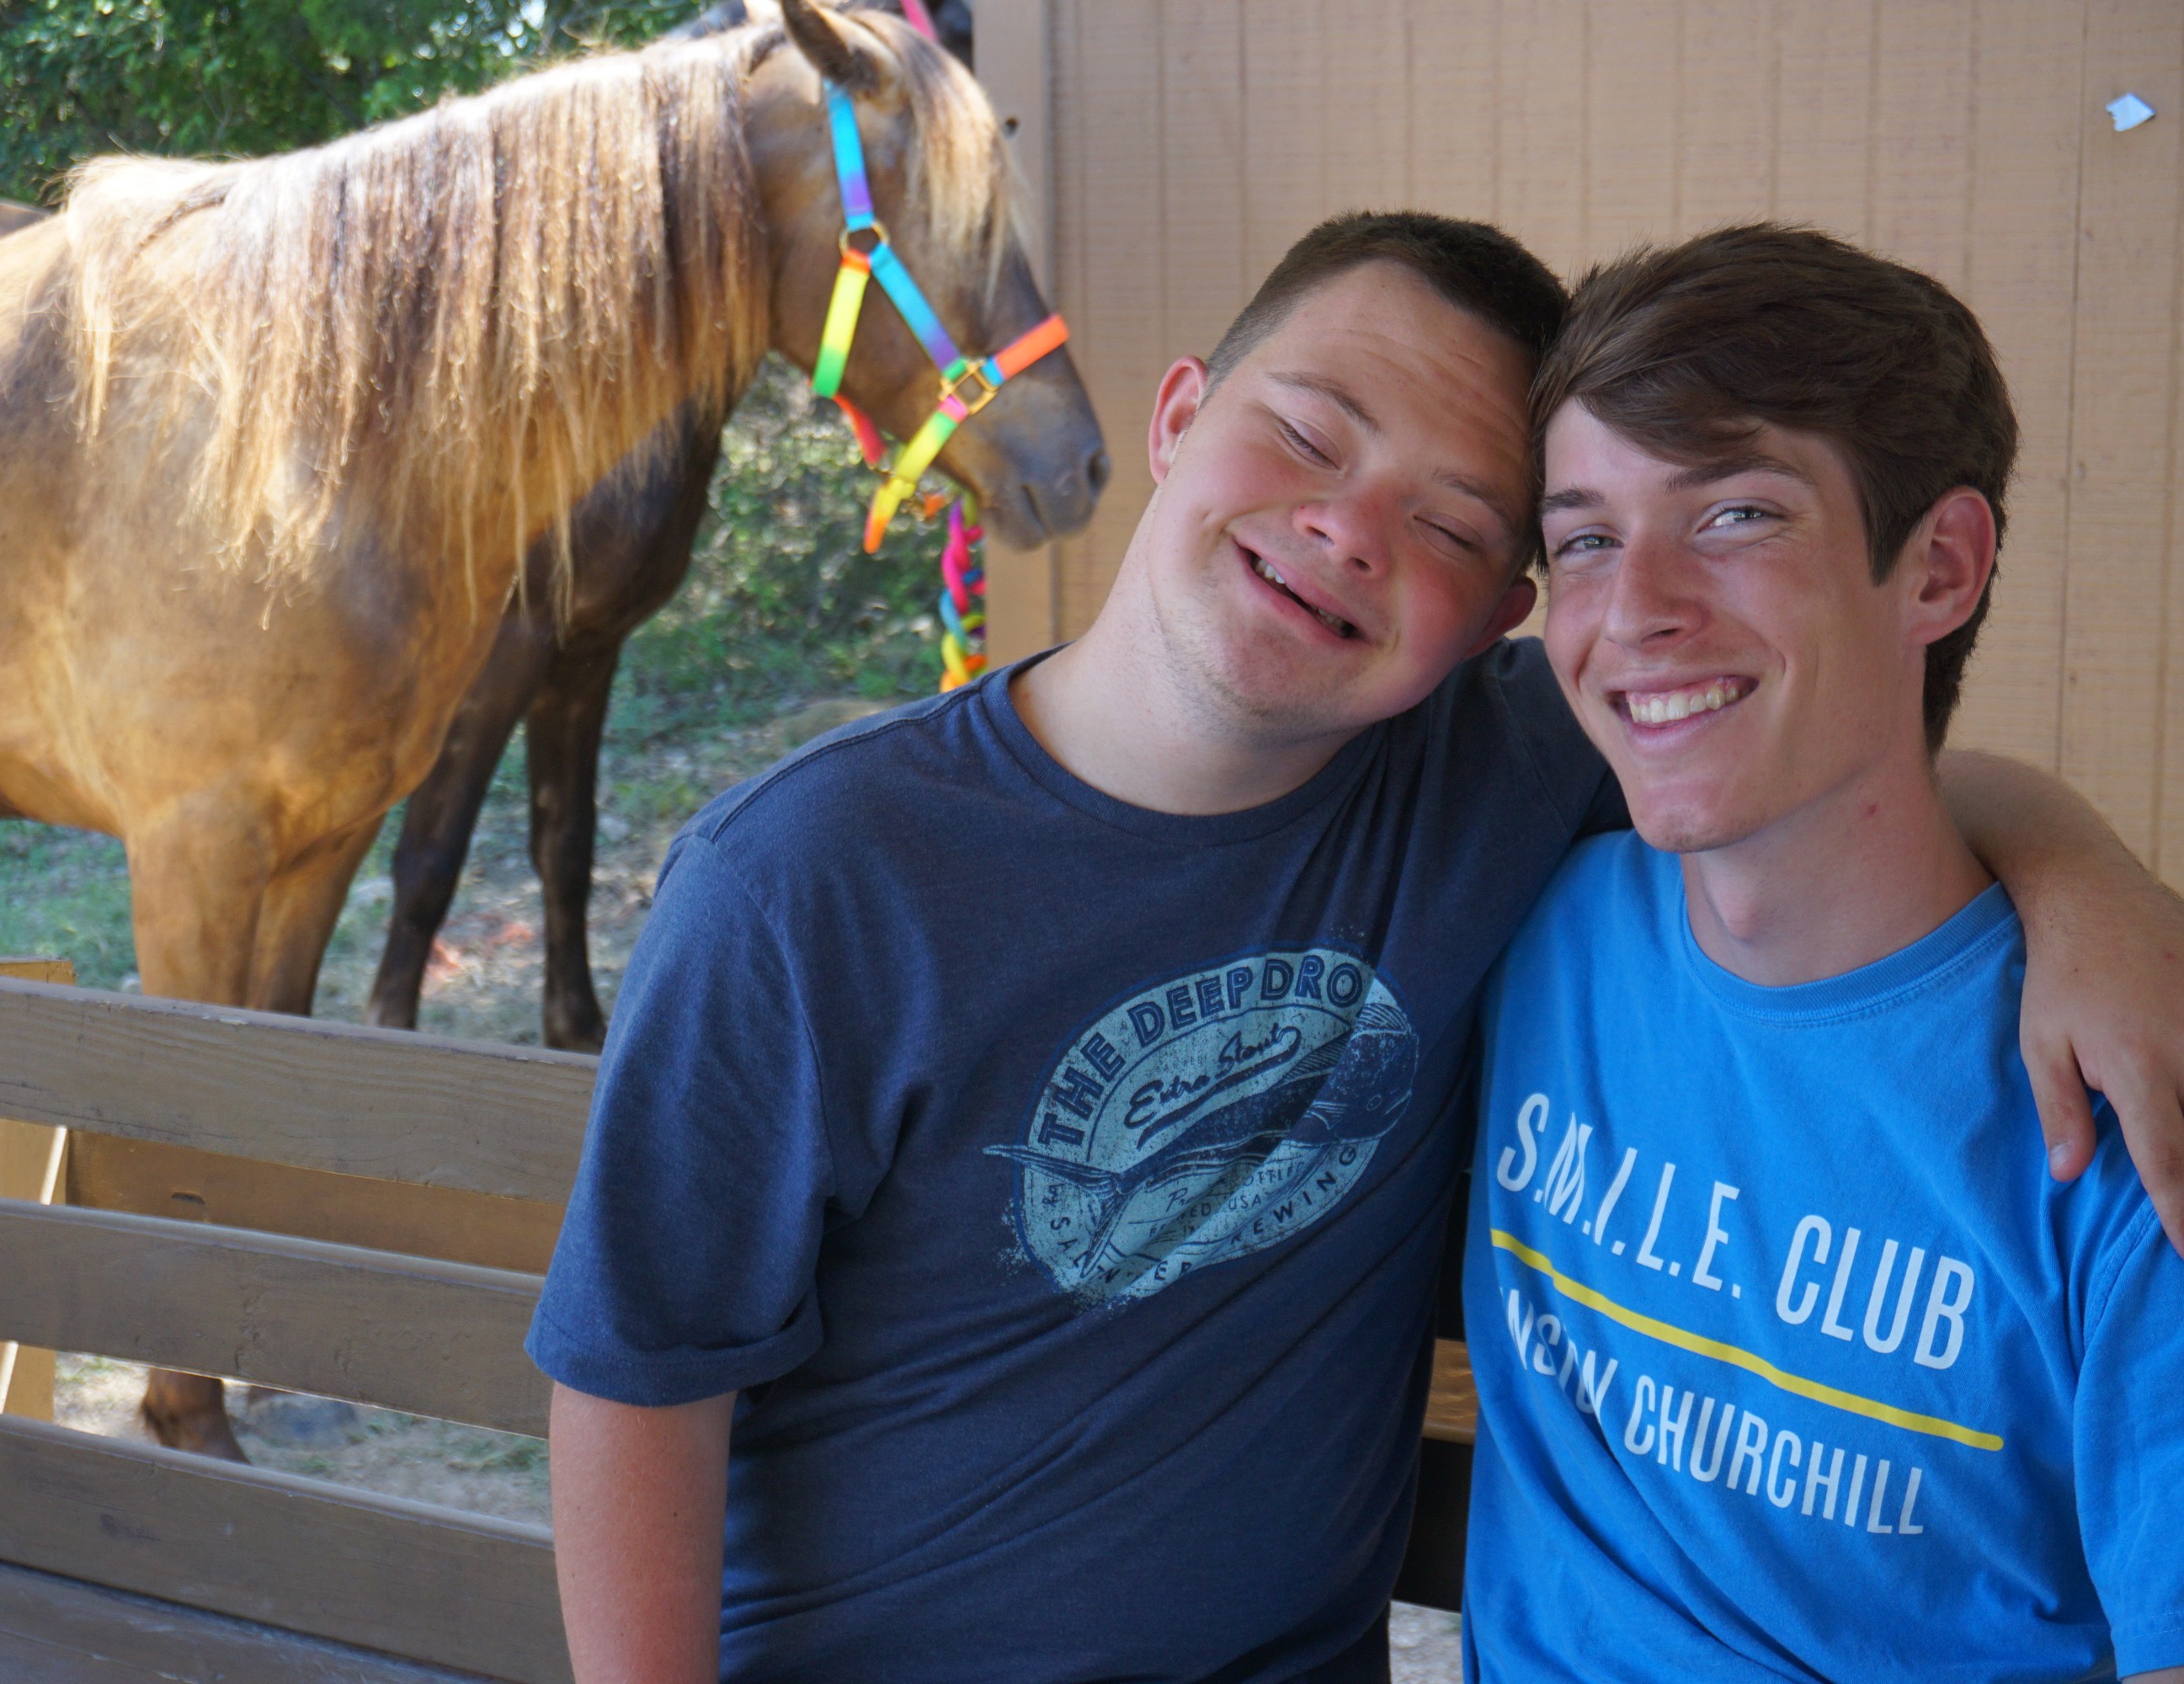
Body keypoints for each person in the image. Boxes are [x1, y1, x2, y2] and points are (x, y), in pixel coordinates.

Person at [528, 210, 2184, 1683]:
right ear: (1177, 418)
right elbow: (641, 1375)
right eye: (1305, 437)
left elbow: (1809, 775)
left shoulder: (1497, 789)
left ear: (1500, 622)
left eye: (1463, 526)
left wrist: (2093, 884)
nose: (1350, 530)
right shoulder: (814, 876)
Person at [1462, 225, 2184, 1681]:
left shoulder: (2130, 1119)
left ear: (1942, 568)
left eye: (1735, 514)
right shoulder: (1531, 923)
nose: (1639, 609)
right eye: (1587, 538)